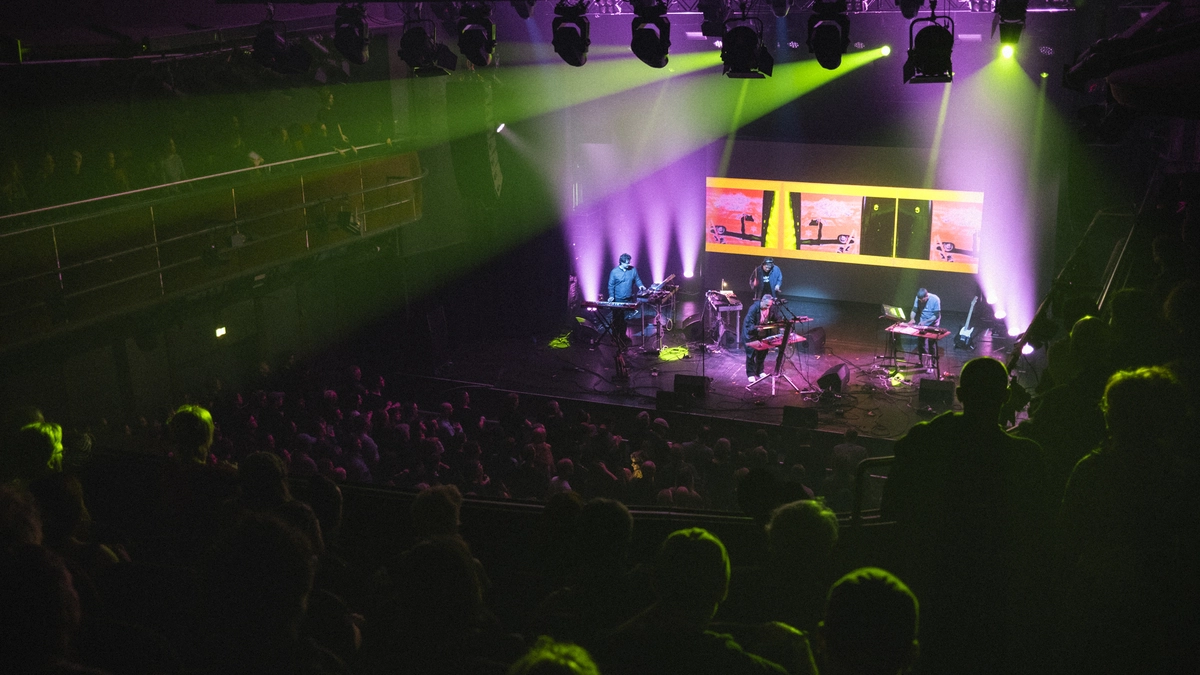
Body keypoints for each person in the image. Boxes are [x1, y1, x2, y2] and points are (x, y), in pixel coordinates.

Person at [880, 357, 1050, 675]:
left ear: (959, 394)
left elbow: (893, 505)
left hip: (934, 589)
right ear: (1006, 397)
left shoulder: (927, 443)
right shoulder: (1028, 458)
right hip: (998, 597)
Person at [606, 253, 645, 348]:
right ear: (621, 262)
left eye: (629, 262)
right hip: (618, 299)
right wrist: (611, 296)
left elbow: (637, 279)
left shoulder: (633, 270)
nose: (629, 264)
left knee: (624, 320)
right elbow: (611, 285)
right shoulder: (614, 272)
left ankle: (622, 336)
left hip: (628, 299)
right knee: (616, 320)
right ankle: (615, 337)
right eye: (627, 263)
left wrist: (641, 285)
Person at [743, 294, 783, 383]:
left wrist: (781, 322)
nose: (768, 307)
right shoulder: (753, 309)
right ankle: (750, 373)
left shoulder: (770, 307)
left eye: (770, 305)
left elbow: (777, 318)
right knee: (751, 354)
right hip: (751, 334)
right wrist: (756, 328)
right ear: (762, 301)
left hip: (763, 333)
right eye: (766, 305)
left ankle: (759, 371)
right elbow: (749, 325)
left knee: (762, 353)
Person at [910, 288, 941, 366]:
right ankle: (923, 361)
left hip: (933, 324)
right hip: (923, 322)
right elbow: (914, 309)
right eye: (919, 300)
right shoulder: (918, 298)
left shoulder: (935, 299)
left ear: (926, 296)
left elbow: (936, 315)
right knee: (921, 343)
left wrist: (926, 322)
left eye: (922, 300)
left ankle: (932, 363)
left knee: (931, 344)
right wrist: (912, 319)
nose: (921, 301)